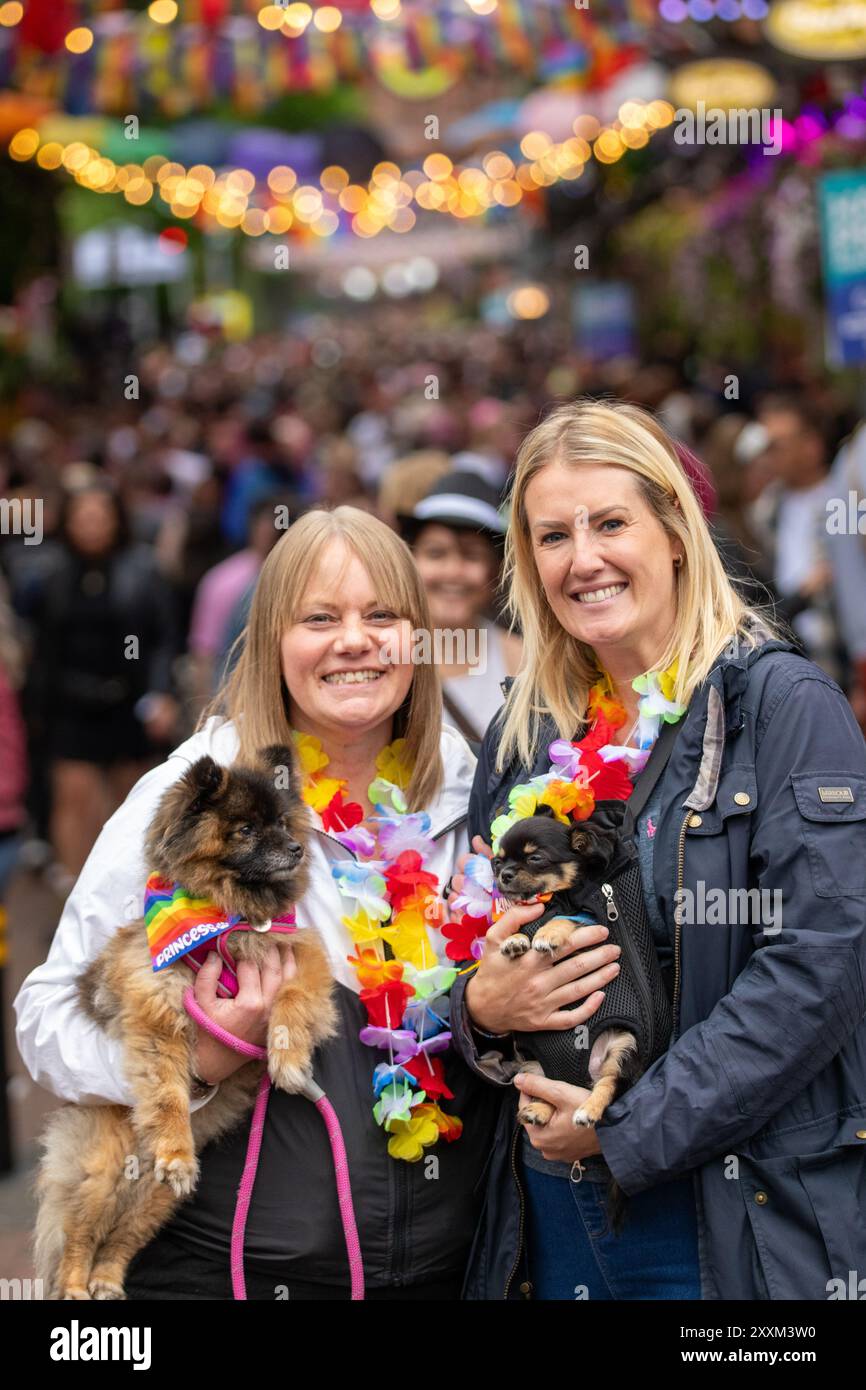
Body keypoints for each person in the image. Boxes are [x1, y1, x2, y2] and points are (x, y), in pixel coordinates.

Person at [15, 506, 499, 1300]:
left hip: (442, 1268)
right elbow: (45, 1018)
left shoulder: (473, 790)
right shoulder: (197, 796)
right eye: (320, 617)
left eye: (382, 615)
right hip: (229, 1272)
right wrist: (194, 1063)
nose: (354, 641)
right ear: (274, 637)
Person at [449, 398, 866, 1301]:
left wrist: (627, 1127)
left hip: (727, 1212)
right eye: (553, 535)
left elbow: (821, 964)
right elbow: (468, 940)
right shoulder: (524, 731)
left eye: (610, 523)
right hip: (550, 1213)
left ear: (675, 531)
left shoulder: (780, 706)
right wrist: (481, 1005)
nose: (583, 558)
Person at [22, 481, 181, 883]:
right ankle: (75, 894)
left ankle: (131, 894)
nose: (92, 525)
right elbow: (40, 647)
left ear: (116, 520)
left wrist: (161, 693)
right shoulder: (50, 571)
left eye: (100, 516)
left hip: (129, 701)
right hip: (70, 703)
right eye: (83, 517)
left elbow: (163, 637)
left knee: (133, 803)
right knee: (74, 800)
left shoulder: (142, 568)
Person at [398, 470, 523, 749]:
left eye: (471, 555)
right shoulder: (380, 655)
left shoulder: (523, 663)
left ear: (495, 570)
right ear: (411, 561)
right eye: (436, 553)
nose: (453, 572)